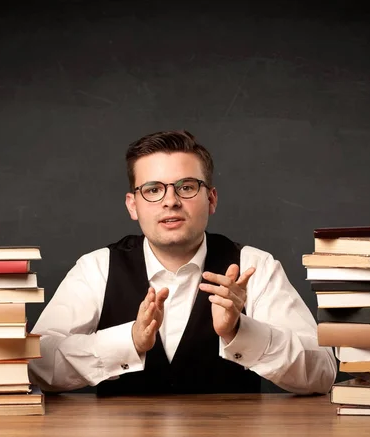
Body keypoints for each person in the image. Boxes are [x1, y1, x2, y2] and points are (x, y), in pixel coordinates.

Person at [28, 130, 337, 396]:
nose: (170, 201)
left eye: (187, 187)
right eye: (152, 190)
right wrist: (128, 341)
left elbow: (323, 371)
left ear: (211, 199)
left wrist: (240, 330)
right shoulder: (96, 268)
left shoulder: (255, 266)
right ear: (132, 205)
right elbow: (37, 364)